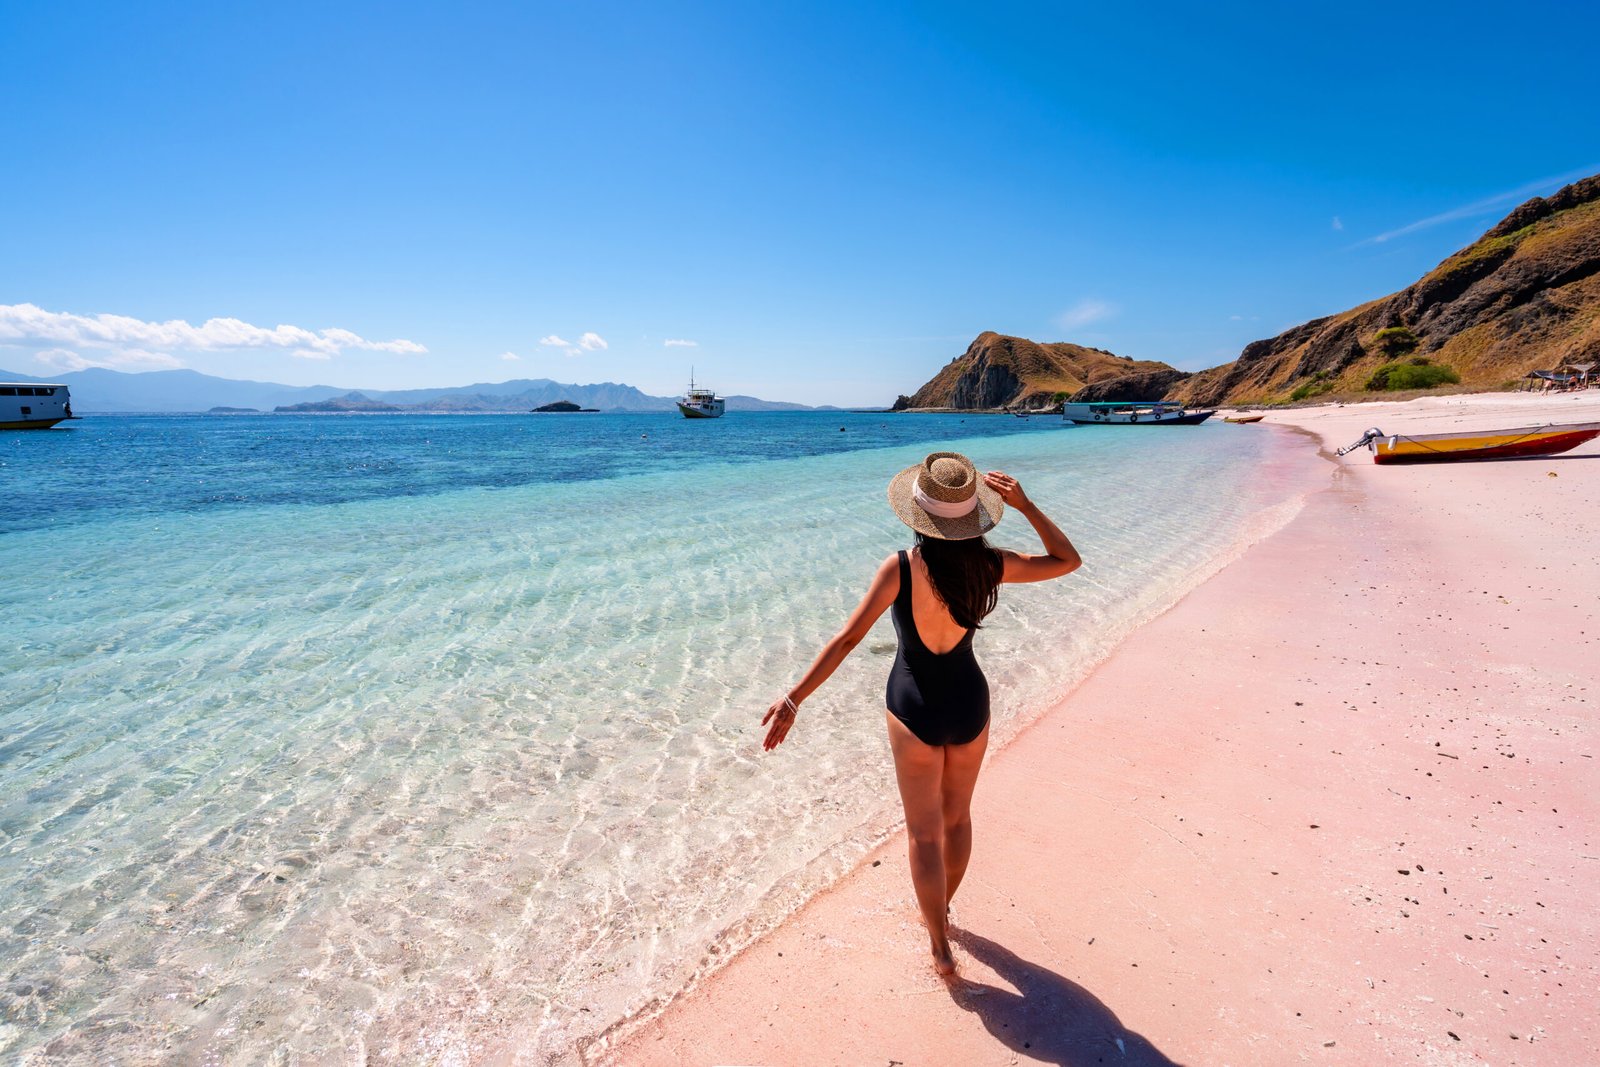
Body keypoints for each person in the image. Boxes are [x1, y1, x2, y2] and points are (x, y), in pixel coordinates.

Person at [762, 451, 1081, 975]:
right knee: (957, 819)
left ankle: (939, 944)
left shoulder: (900, 568)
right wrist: (1026, 505)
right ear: (973, 513)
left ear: (920, 515)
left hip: (912, 708)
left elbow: (846, 641)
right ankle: (945, 908)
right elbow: (1067, 560)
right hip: (969, 703)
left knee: (923, 834)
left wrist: (794, 698)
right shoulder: (991, 564)